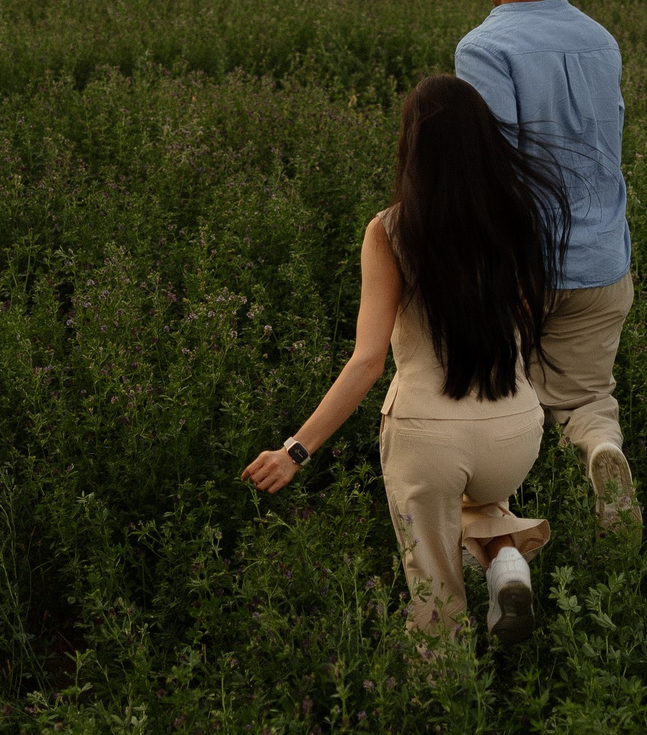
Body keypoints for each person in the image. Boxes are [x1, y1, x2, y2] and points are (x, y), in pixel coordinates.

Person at [242, 75, 568, 642]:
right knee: (478, 494)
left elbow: (368, 361)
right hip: (515, 430)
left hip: (428, 436)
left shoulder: (392, 231)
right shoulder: (521, 218)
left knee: (434, 588)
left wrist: (296, 449)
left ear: (412, 146)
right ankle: (506, 560)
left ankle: (447, 706)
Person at [454, 0, 640, 531]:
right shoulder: (601, 39)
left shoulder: (483, 48)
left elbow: (493, 167)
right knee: (586, 397)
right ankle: (601, 450)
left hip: (521, 265)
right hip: (603, 262)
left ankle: (504, 538)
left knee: (496, 399)